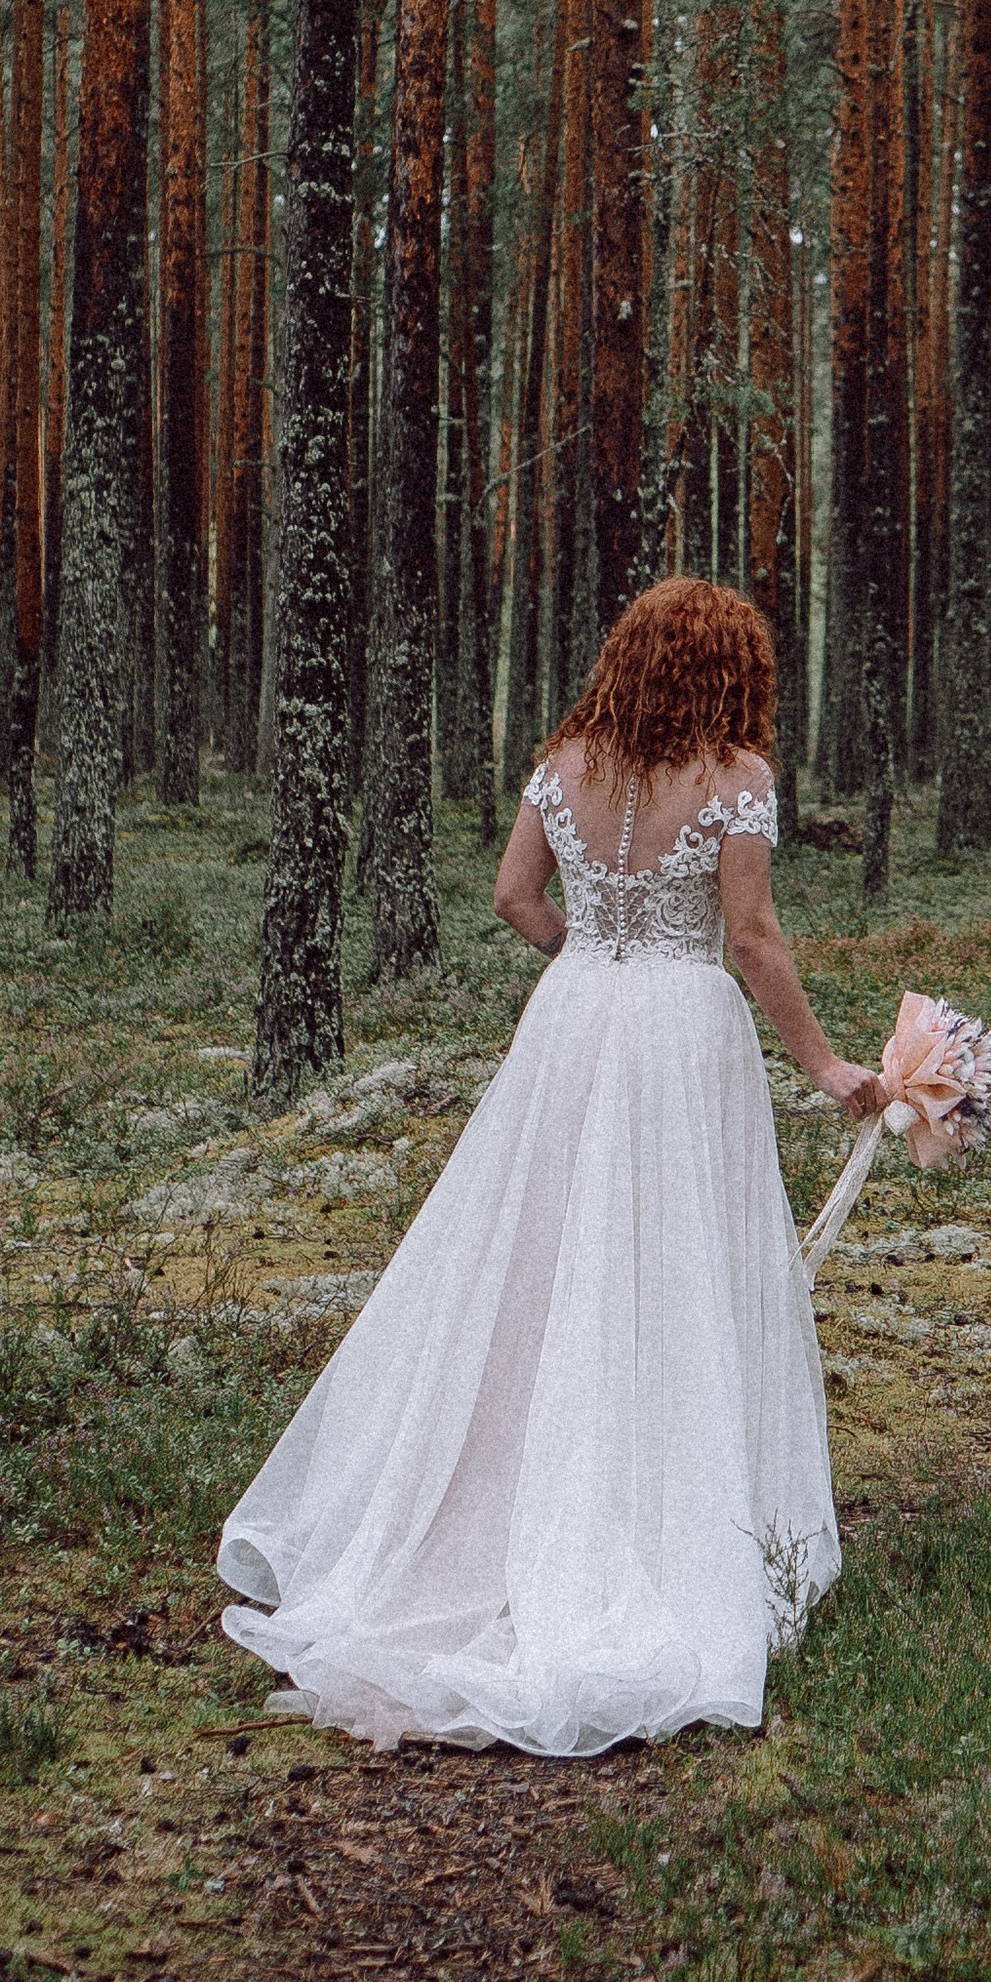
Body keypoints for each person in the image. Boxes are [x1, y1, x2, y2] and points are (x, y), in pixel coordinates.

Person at [219, 579, 882, 1755]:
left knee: (538, 1257)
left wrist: (589, 957)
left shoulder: (563, 762)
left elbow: (512, 896)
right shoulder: (736, 779)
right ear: (729, 668)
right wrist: (825, 1065)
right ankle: (668, 1519)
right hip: (681, 1031)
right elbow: (749, 937)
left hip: (573, 1021)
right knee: (673, 1264)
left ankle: (497, 1505)